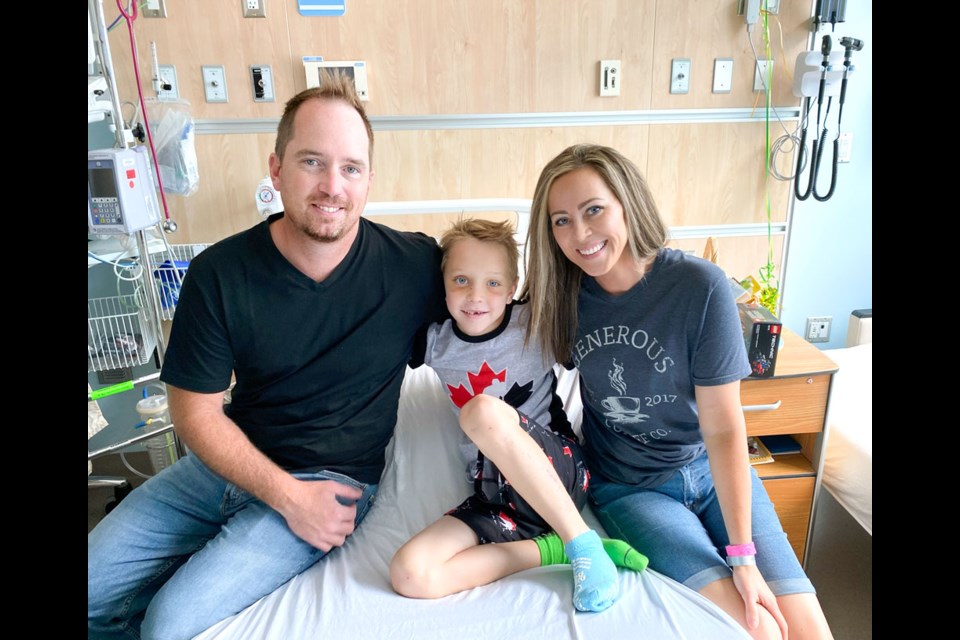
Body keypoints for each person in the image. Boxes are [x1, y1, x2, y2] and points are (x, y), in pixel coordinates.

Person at [88, 73, 447, 640]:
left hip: (330, 482)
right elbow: (196, 412)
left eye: (350, 168)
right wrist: (285, 495)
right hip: (227, 469)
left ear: (369, 181)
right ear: (276, 169)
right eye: (312, 162)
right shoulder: (220, 274)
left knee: (168, 626)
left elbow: (502, 307)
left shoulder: (414, 267)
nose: (332, 185)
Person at [520, 143, 834, 640]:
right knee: (758, 630)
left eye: (593, 210)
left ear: (627, 201)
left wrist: (744, 558)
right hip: (631, 488)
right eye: (560, 221)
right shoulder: (561, 298)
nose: (579, 235)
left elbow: (725, 427)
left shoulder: (699, 287)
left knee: (809, 630)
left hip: (710, 471)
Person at [389, 218, 648, 613]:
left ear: (512, 289)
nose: (476, 296)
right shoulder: (434, 341)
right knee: (410, 574)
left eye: (493, 283)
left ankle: (580, 539)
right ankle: (554, 550)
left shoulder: (535, 324)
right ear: (442, 286)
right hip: (496, 496)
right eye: (461, 280)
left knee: (482, 412)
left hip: (559, 473)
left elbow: (604, 319)